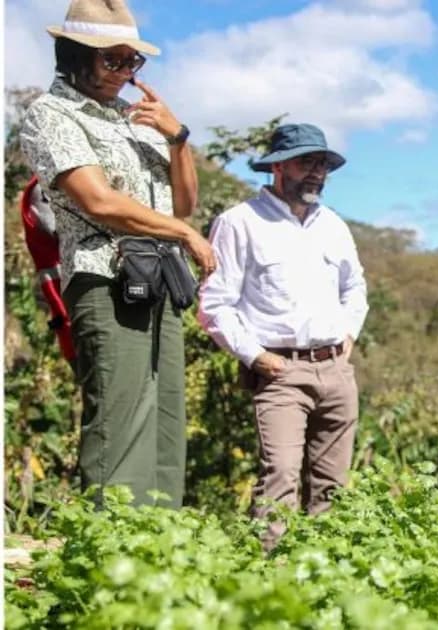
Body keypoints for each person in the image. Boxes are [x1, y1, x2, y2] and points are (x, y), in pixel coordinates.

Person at [18, 0, 216, 508]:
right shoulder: (51, 115)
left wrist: (178, 139)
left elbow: (183, 204)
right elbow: (99, 202)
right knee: (120, 425)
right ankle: (109, 546)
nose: (125, 72)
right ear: (74, 54)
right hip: (105, 278)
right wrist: (184, 234)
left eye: (133, 62)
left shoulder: (136, 120)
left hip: (159, 279)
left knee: (166, 426)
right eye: (113, 60)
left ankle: (162, 543)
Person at [198, 123, 368, 550]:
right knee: (280, 475)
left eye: (323, 165)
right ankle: (267, 571)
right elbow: (215, 303)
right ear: (277, 167)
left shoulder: (334, 225)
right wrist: (255, 356)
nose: (316, 173)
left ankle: (324, 569)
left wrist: (348, 334)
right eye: (306, 163)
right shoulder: (239, 222)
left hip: (336, 370)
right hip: (280, 371)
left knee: (333, 485)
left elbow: (355, 288)